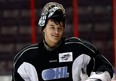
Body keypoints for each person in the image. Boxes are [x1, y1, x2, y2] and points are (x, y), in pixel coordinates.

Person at [12, 2, 114, 81]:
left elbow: (105, 68)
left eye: (60, 28)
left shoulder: (77, 48)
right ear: (43, 28)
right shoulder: (25, 58)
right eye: (52, 27)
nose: (56, 32)